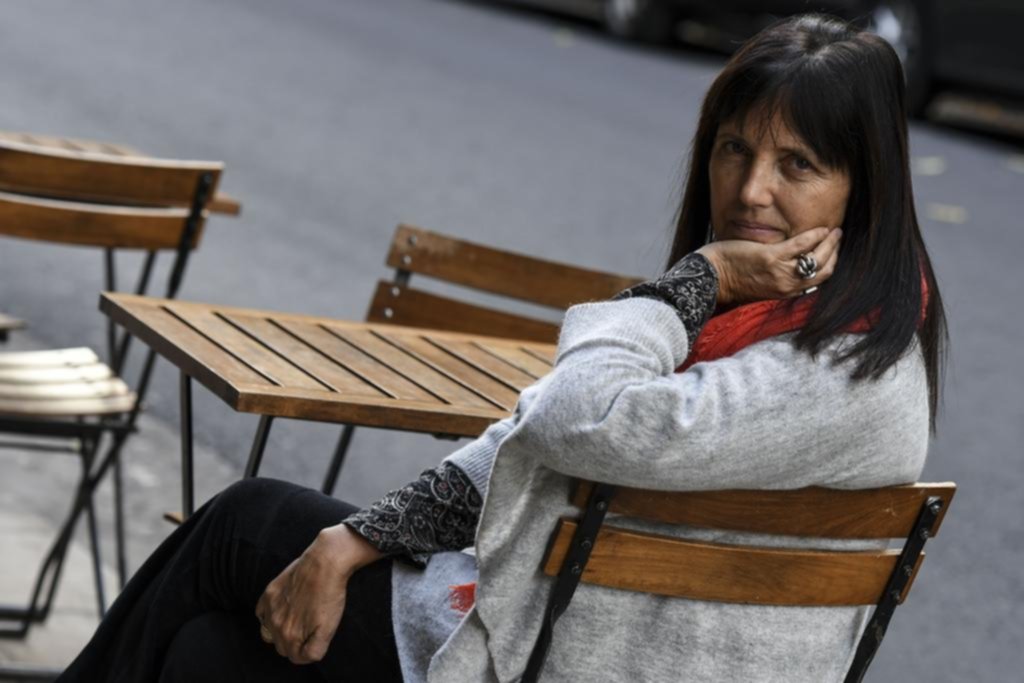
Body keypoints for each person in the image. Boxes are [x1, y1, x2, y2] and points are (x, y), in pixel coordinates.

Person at [58, 12, 946, 683]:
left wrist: (700, 277)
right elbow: (529, 442)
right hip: (550, 632)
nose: (752, 189)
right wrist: (355, 542)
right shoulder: (786, 331)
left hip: (553, 656)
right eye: (733, 149)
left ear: (865, 196)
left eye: (798, 166)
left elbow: (576, 417)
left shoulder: (846, 376)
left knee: (243, 525)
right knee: (210, 652)